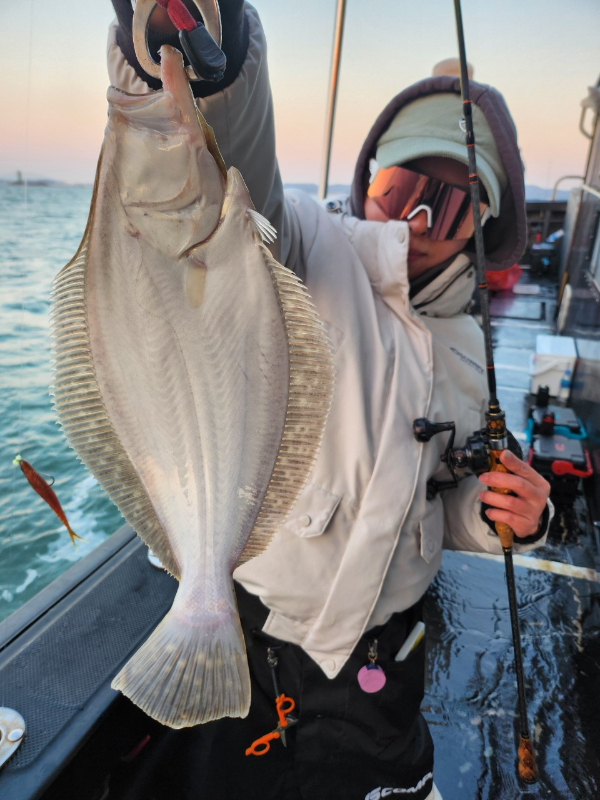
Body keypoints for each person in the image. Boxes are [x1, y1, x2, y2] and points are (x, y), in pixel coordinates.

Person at [107, 3, 552, 799]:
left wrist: (502, 519)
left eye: (449, 206)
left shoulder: (469, 352)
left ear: (482, 224)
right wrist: (219, 59)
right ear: (369, 171)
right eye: (401, 184)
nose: (417, 220)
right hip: (261, 636)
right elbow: (235, 174)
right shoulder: (307, 242)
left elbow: (440, 502)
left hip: (385, 666)